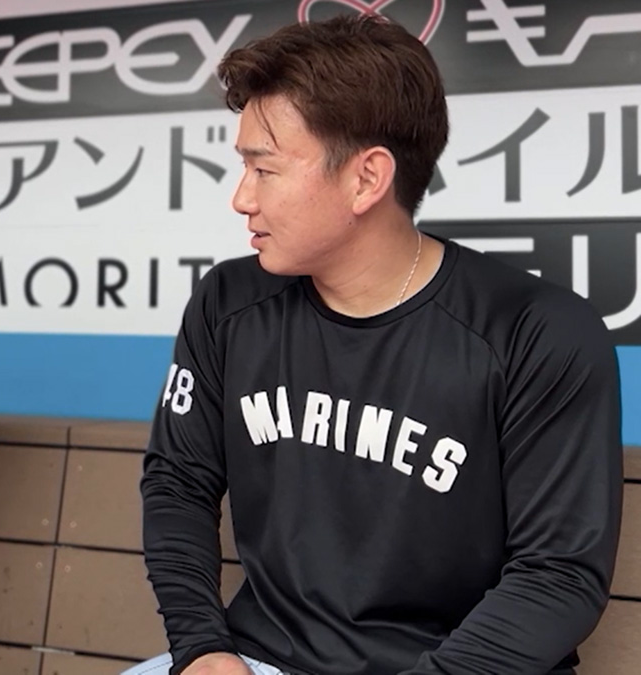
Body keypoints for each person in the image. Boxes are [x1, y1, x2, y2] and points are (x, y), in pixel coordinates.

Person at [135, 14, 622, 675]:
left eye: (264, 168)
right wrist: (202, 647)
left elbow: (558, 574)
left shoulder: (537, 331)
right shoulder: (229, 303)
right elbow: (178, 483)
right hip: (256, 660)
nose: (241, 197)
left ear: (367, 178)